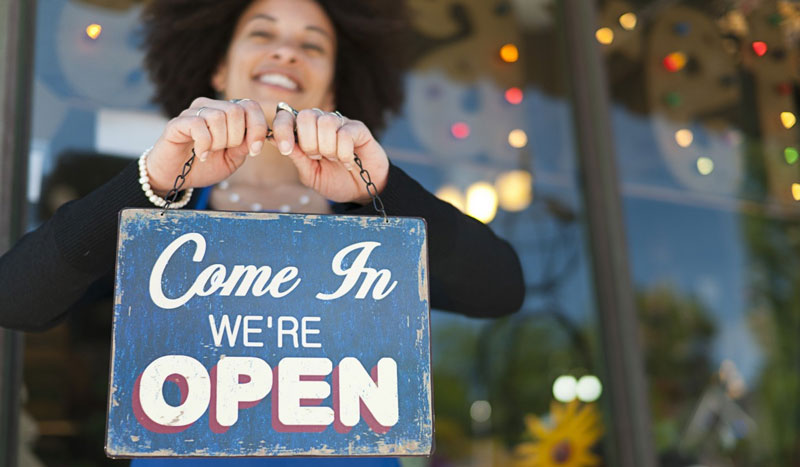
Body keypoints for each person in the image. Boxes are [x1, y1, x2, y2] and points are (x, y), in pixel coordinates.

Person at [0, 0, 524, 464]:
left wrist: (379, 186)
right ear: (219, 67)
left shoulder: (366, 224)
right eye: (262, 34)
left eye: (311, 45)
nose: (287, 53)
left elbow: (499, 288)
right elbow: (17, 299)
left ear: (334, 84)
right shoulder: (161, 214)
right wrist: (152, 181)